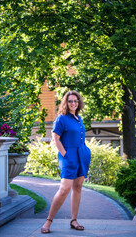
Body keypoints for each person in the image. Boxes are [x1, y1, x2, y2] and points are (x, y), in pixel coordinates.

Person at [41, 90, 91, 234]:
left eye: (75, 101)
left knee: (78, 187)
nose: (73, 103)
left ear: (78, 103)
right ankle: (48, 221)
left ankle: (74, 220)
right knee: (64, 189)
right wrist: (66, 155)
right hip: (68, 156)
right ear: (66, 102)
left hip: (82, 155)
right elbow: (55, 138)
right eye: (70, 101)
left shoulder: (78, 118)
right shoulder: (61, 118)